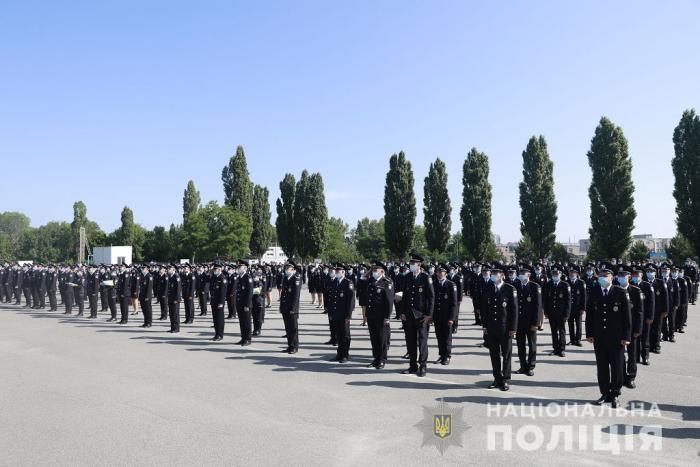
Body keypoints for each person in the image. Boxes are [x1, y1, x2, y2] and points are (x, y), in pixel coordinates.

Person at [586, 269, 631, 408]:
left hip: (617, 338)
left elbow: (627, 317)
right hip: (599, 337)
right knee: (602, 367)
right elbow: (590, 315)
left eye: (605, 276)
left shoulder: (620, 292)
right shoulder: (593, 292)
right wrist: (589, 334)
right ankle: (605, 393)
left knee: (617, 367)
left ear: (612, 278)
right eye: (600, 276)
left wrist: (626, 336)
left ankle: (615, 394)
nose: (602, 278)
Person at [482, 268, 518, 391]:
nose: (492, 276)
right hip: (492, 328)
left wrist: (513, 328)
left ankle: (506, 379)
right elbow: (485, 310)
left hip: (505, 328)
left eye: (495, 274)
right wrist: (485, 326)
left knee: (506, 355)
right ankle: (497, 379)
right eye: (491, 274)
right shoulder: (488, 288)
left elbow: (514, 310)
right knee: (494, 355)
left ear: (502, 275)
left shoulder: (509, 289)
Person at [399, 254, 435, 377]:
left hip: (421, 316)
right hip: (409, 314)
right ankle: (412, 365)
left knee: (422, 341)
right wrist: (402, 312)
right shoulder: (408, 276)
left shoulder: (426, 277)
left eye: (413, 263)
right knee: (410, 341)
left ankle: (423, 366)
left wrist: (428, 315)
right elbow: (405, 296)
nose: (411, 265)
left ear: (419, 265)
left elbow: (431, 297)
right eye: (411, 263)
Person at [366, 262, 394, 369]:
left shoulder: (387, 282)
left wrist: (387, 317)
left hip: (381, 316)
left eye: (375, 271)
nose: (373, 272)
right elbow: (361, 282)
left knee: (382, 338)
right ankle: (376, 358)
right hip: (371, 314)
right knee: (374, 338)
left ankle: (382, 359)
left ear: (382, 272)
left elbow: (389, 302)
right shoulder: (371, 281)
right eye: (372, 270)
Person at [515, 267, 541, 376]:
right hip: (519, 322)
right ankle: (522, 365)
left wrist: (535, 323)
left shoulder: (535, 287)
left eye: (523, 273)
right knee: (520, 345)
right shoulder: (515, 286)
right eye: (520, 273)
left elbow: (537, 307)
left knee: (532, 345)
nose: (521, 275)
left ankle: (530, 366)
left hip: (531, 322)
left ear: (529, 275)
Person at [327, 264, 355, 363]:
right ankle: (339, 354)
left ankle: (345, 355)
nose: (337, 273)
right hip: (336, 313)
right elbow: (332, 299)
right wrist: (330, 312)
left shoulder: (348, 283)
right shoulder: (334, 281)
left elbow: (351, 301)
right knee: (338, 335)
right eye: (336, 271)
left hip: (344, 314)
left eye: (339, 272)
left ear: (343, 272)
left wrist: (348, 315)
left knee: (345, 335)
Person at [432, 264, 458, 365]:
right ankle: (441, 354)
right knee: (439, 336)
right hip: (437, 315)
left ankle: (447, 356)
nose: (439, 274)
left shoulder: (451, 285)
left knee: (447, 337)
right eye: (438, 272)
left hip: (447, 316)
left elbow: (454, 303)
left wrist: (452, 318)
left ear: (446, 274)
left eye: (441, 272)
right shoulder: (434, 283)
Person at [544, 266, 571, 357]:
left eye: (557, 274)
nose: (555, 275)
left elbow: (568, 301)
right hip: (552, 312)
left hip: (561, 313)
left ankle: (562, 349)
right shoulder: (548, 284)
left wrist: (566, 314)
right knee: (553, 331)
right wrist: (546, 312)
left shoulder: (565, 285)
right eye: (553, 274)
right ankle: (555, 348)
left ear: (560, 274)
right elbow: (546, 299)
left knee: (562, 331)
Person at [280, 261, 301, 353]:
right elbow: (283, 294)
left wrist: (293, 308)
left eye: (288, 268)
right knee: (287, 328)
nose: (286, 270)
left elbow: (296, 296)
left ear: (293, 269)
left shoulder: (296, 279)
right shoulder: (286, 278)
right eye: (286, 268)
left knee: (293, 328)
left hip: (292, 308)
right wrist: (281, 306)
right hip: (285, 307)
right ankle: (290, 345)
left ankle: (295, 346)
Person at [235, 260, 253, 346]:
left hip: (246, 305)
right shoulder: (239, 277)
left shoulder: (248, 277)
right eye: (238, 267)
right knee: (241, 322)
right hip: (239, 303)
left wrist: (247, 305)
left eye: (240, 267)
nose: (238, 268)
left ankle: (248, 339)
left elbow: (249, 293)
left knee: (247, 322)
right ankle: (243, 338)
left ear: (245, 268)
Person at [567, 266, 587, 347]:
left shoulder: (581, 282)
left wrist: (583, 308)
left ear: (577, 274)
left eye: (574, 273)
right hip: (569, 308)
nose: (572, 274)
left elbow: (584, 296)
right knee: (570, 324)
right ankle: (572, 339)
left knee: (578, 325)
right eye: (571, 273)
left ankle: (578, 340)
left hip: (578, 307)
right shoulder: (566, 282)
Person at [209, 263, 227, 341]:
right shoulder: (213, 277)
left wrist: (221, 303)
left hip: (219, 302)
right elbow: (211, 288)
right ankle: (216, 334)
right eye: (214, 269)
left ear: (220, 269)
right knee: (215, 319)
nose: (214, 270)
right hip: (213, 300)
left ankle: (220, 334)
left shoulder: (222, 278)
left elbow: (223, 292)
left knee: (220, 319)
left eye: (215, 269)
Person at [166, 264, 182, 333]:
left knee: (175, 314)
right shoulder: (170, 276)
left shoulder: (176, 277)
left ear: (173, 269)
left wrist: (176, 299)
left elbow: (178, 289)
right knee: (171, 313)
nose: (168, 270)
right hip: (170, 298)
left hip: (175, 299)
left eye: (170, 269)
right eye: (168, 269)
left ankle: (176, 328)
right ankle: (172, 327)